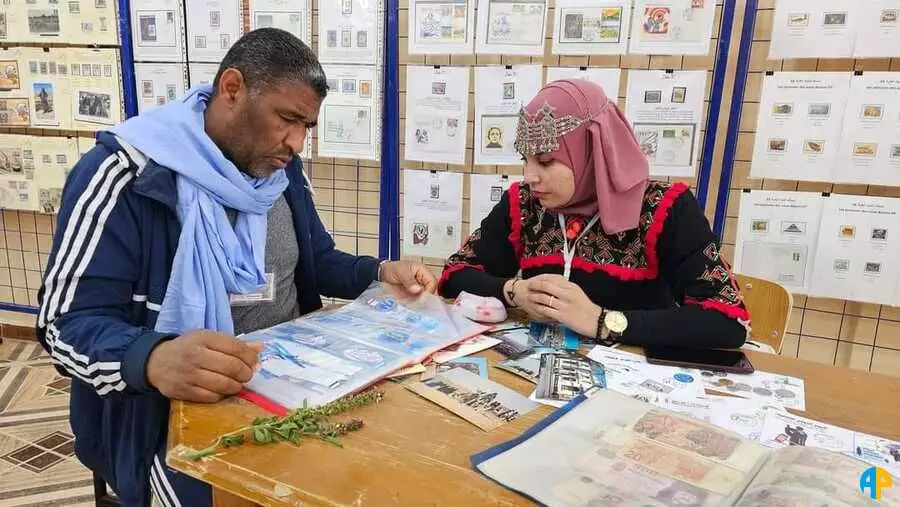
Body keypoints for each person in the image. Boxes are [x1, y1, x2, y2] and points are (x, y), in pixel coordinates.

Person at [35, 28, 436, 507]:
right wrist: (154, 358)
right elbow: (62, 325)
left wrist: (378, 271)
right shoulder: (127, 177)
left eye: (306, 127)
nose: (296, 143)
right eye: (287, 119)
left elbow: (315, 261)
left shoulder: (280, 174)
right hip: (162, 418)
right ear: (231, 89)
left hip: (290, 392)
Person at [439, 79, 748, 348]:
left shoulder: (663, 207)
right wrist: (513, 291)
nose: (530, 175)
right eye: (526, 159)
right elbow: (454, 276)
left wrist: (603, 321)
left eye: (545, 161)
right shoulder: (524, 204)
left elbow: (726, 321)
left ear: (594, 151)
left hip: (627, 387)